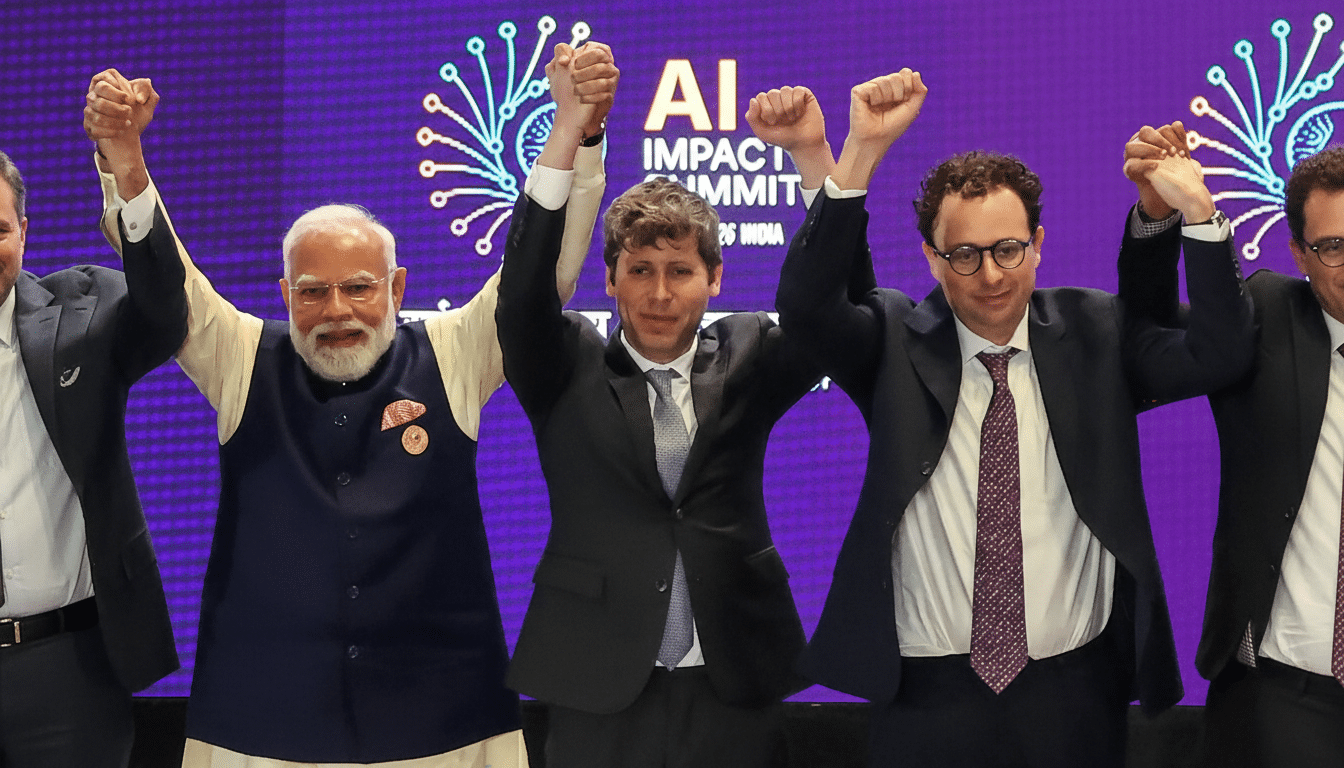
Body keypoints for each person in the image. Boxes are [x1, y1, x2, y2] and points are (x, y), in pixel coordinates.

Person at [81, 44, 616, 767]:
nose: (337, 310)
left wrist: (570, 131)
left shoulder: (454, 352)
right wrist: (125, 159)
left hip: (442, 720)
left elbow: (532, 280)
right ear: (284, 297)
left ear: (397, 288)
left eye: (360, 287)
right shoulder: (240, 356)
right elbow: (165, 283)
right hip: (262, 721)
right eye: (313, 291)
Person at [775, 70, 1255, 767]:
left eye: (1008, 249)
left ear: (1037, 241)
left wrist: (1195, 215)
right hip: (921, 693)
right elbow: (809, 308)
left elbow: (1220, 353)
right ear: (932, 260)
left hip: (1074, 692)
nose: (992, 275)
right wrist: (860, 154)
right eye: (965, 255)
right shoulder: (892, 338)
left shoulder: (1097, 332)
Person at [494, 83, 868, 767]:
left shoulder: (751, 353)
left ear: (715, 278)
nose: (660, 293)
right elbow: (521, 294)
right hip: (594, 678)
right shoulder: (565, 363)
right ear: (610, 280)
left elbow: (829, 303)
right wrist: (567, 130)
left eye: (680, 271)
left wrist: (816, 158)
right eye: (639, 270)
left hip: (733, 677)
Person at [1123, 137, 1344, 767]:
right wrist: (1175, 215)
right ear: (1301, 253)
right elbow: (1152, 337)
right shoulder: (1272, 316)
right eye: (1333, 246)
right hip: (1280, 696)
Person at [0, 92, 182, 766]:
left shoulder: (81, 310)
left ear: (24, 231)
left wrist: (126, 166)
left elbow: (167, 312)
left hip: (69, 673)